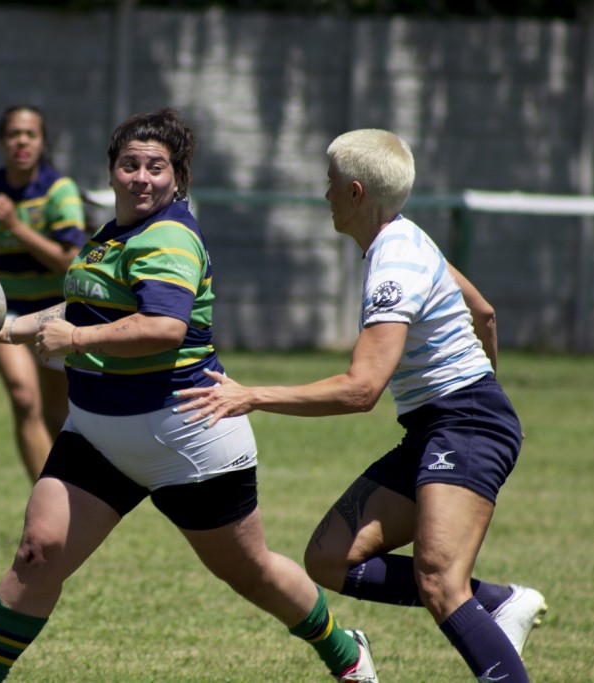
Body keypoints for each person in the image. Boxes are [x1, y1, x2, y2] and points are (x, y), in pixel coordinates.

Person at [0, 109, 378, 683]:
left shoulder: (171, 237)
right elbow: (88, 308)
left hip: (185, 434)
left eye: (156, 167)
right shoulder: (111, 236)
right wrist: (6, 327)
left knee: (250, 572)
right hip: (97, 434)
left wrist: (76, 338)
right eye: (129, 164)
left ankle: (345, 654)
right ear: (110, 171)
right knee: (38, 551)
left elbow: (163, 327)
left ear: (177, 177)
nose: (141, 177)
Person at [176, 128, 546, 681]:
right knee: (327, 559)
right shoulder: (409, 237)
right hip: (441, 424)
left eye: (329, 184)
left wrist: (250, 395)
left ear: (354, 193)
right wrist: (481, 386)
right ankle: (494, 602)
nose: (324, 195)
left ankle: (481, 609)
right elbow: (484, 313)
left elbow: (361, 389)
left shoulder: (394, 265)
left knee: (441, 583)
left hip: (463, 423)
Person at [0, 105, 88, 481]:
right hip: (3, 311)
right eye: (14, 134)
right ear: (1, 142)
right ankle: (46, 499)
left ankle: (66, 501)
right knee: (24, 399)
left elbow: (70, 259)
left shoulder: (60, 192)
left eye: (30, 134)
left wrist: (15, 226)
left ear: (42, 142)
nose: (21, 142)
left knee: (56, 415)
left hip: (56, 314)